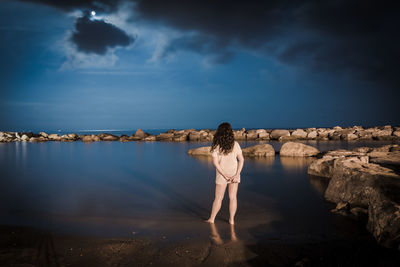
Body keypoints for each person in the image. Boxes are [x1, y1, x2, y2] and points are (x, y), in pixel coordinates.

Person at [206, 122, 244, 225]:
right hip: (234, 173)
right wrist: (237, 174)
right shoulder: (235, 144)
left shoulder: (217, 146)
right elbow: (241, 160)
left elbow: (215, 163)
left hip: (222, 174)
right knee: (233, 197)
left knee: (218, 198)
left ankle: (212, 219)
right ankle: (231, 220)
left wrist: (224, 175)